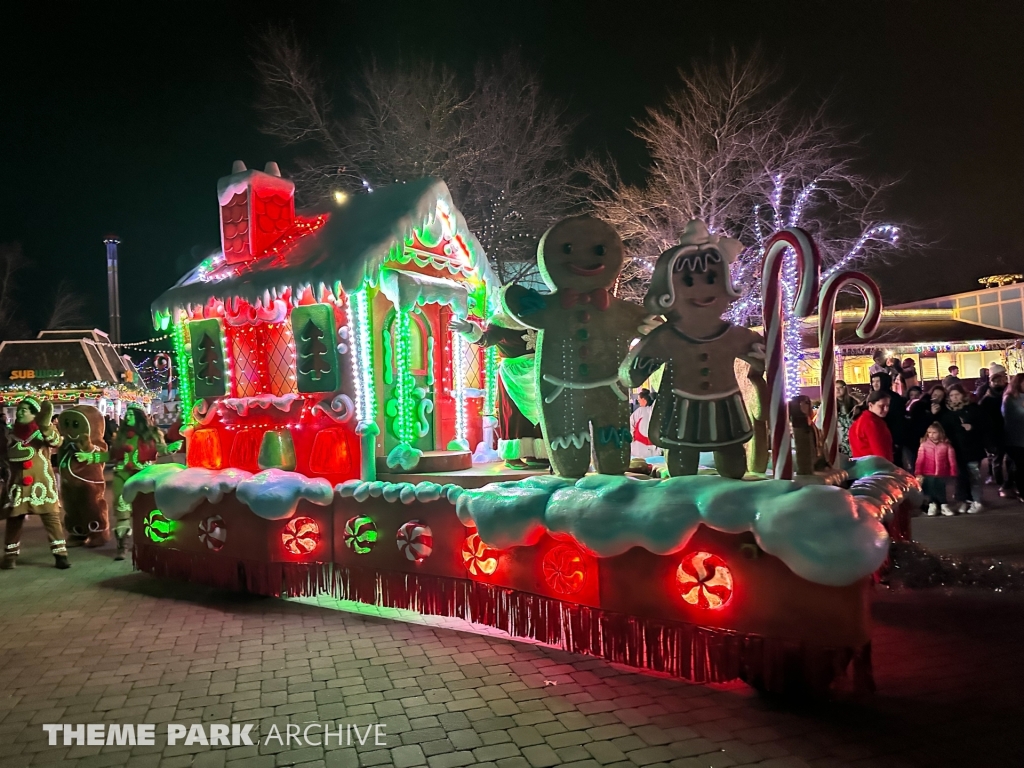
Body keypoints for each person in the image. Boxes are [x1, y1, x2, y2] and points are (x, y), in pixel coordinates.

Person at [451, 314, 547, 469]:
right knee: (514, 414)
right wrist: (469, 329)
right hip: (513, 375)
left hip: (535, 372)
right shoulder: (501, 322)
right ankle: (512, 456)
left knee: (539, 413)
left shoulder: (535, 319)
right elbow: (485, 339)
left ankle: (536, 453)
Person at [2, 397, 70, 570]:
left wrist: (45, 425)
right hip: (17, 485)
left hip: (42, 484)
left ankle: (60, 555)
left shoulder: (42, 431)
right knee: (14, 519)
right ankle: (10, 556)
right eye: (19, 409)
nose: (20, 412)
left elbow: (57, 442)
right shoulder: (10, 433)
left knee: (51, 518)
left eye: (25, 409)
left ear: (34, 414)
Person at [107, 407, 181, 560]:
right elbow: (111, 455)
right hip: (122, 476)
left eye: (131, 415)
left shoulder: (152, 434)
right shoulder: (119, 436)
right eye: (126, 415)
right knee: (122, 509)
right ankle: (122, 546)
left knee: (147, 510)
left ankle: (152, 544)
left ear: (139, 418)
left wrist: (170, 449)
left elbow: (162, 450)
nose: (127, 417)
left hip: (143, 476)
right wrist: (91, 457)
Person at [946, 384, 985, 514]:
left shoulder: (973, 409)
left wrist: (972, 427)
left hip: (972, 448)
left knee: (974, 475)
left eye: (957, 394)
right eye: (951, 395)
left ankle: (977, 501)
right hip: (956, 449)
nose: (954, 398)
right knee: (961, 477)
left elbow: (985, 425)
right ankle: (963, 500)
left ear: (963, 395)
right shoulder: (949, 412)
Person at [915, 422, 959, 516]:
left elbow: (951, 460)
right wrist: (918, 472)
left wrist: (953, 471)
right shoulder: (924, 445)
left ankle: (944, 505)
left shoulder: (946, 445)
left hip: (942, 472)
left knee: (941, 488)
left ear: (940, 433)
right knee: (930, 488)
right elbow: (920, 460)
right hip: (928, 472)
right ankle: (932, 504)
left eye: (934, 432)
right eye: (929, 433)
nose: (931, 435)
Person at [980, 365, 1010, 492]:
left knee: (1011, 458)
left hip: (1009, 429)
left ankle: (1010, 481)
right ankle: (1000, 482)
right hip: (996, 432)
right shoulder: (987, 397)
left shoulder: (1009, 392)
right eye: (995, 380)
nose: (999, 382)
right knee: (997, 458)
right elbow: (984, 418)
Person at [870, 371, 906, 466]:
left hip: (892, 437)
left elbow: (899, 420)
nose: (875, 384)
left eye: (878, 381)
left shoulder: (894, 398)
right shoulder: (872, 397)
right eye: (873, 381)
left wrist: (897, 440)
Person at [849, 390, 893, 462]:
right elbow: (881, 453)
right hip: (876, 467)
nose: (886, 409)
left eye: (887, 405)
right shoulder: (872, 423)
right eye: (881, 406)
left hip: (862, 466)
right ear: (870, 405)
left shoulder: (860, 420)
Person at [1002, 373, 1024, 503]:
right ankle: (1021, 491)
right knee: (1021, 467)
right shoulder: (1010, 399)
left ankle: (1008, 485)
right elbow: (1016, 416)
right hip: (1016, 440)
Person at [835, 380, 862, 459]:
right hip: (840, 437)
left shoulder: (853, 402)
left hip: (852, 435)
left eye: (840, 387)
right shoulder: (831, 404)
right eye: (836, 388)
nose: (838, 390)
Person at [629, 389, 659, 459]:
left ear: (644, 400)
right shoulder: (642, 411)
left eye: (639, 399)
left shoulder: (640, 411)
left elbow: (630, 424)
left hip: (640, 451)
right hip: (652, 451)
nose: (638, 401)